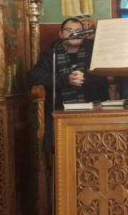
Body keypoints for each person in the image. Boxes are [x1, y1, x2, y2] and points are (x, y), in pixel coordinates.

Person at [29, 17, 109, 152]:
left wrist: (85, 78)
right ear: (61, 34)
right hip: (60, 111)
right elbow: (34, 77)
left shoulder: (93, 51)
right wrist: (66, 80)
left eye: (78, 30)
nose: (74, 33)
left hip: (92, 111)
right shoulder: (52, 53)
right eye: (69, 30)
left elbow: (105, 77)